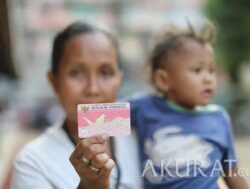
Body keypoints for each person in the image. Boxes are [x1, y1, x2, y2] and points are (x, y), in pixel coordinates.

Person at [10, 22, 142, 189]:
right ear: (54, 82)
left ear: (119, 79)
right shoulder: (33, 162)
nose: (93, 89)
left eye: (106, 72)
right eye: (76, 72)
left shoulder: (143, 138)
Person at [130, 22, 249, 189]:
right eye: (197, 70)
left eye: (211, 70)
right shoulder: (144, 108)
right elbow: (92, 118)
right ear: (163, 80)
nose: (208, 78)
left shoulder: (219, 118)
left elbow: (231, 171)